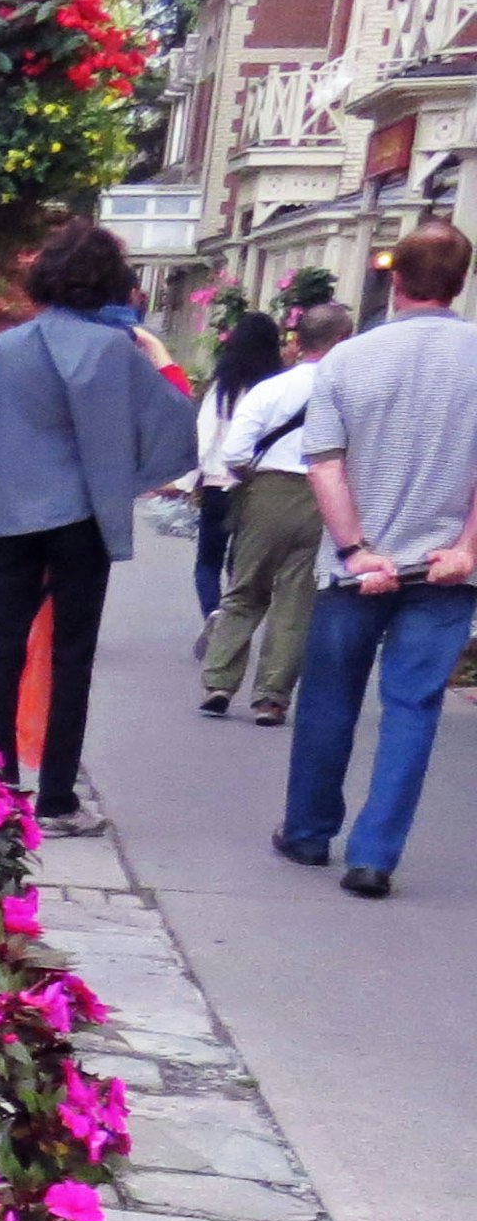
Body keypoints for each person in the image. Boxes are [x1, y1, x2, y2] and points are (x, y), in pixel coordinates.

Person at [0, 219, 199, 836]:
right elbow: (176, 428)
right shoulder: (115, 352)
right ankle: (58, 797)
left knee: (4, 647)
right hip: (83, 519)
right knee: (72, 655)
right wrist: (163, 359)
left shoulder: (1, 350)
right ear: (111, 285)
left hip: (12, 516)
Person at [273, 218, 477, 899]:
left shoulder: (346, 360)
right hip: (445, 568)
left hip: (354, 567)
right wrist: (466, 547)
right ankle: (374, 856)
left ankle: (308, 831)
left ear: (393, 279)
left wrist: (359, 548)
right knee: (413, 707)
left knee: (329, 698)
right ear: (461, 280)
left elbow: (323, 464)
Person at [202, 301, 354, 723]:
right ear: (343, 340)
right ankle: (271, 696)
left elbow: (234, 450)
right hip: (324, 497)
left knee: (244, 589)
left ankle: (219, 681)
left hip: (266, 490)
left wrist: (248, 474)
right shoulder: (351, 391)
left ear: (299, 340)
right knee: (295, 597)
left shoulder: (270, 389)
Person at [189, 312, 288, 624]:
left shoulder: (223, 386)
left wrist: (189, 479)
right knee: (241, 559)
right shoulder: (279, 387)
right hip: (260, 485)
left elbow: (204, 437)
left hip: (218, 482)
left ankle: (213, 613)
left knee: (208, 559)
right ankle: (234, 616)